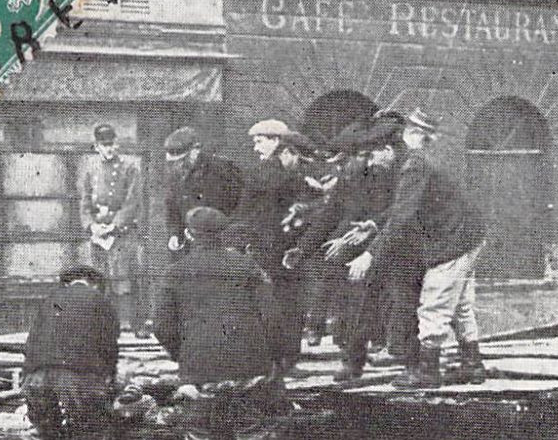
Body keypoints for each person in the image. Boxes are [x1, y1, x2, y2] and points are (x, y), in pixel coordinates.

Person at [153, 206, 289, 440]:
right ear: (223, 234)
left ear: (189, 235)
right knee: (252, 433)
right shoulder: (249, 267)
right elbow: (274, 320)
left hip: (199, 370)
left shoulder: (176, 272)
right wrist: (274, 361)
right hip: (248, 368)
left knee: (197, 438)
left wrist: (184, 355)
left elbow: (162, 325)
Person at [347, 106, 486, 388]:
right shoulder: (414, 162)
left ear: (387, 149)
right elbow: (404, 208)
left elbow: (402, 216)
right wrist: (374, 225)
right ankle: (472, 365)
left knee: (434, 302)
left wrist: (369, 254)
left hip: (452, 240)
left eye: (373, 155)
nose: (372, 162)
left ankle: (428, 371)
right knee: (460, 306)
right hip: (466, 235)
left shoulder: (413, 166)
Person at [294, 122, 400, 380]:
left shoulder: (387, 177)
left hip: (385, 245)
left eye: (355, 157)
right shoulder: (348, 179)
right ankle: (352, 355)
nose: (348, 164)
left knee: (372, 300)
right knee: (348, 299)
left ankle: (378, 350)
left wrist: (361, 240)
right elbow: (330, 216)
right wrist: (303, 248)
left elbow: (393, 216)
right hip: (353, 245)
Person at [21, 264, 122, 440]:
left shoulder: (49, 300)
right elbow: (109, 345)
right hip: (78, 375)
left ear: (67, 282)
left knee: (42, 433)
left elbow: (30, 344)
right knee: (94, 432)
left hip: (37, 376)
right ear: (94, 283)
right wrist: (109, 378)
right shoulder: (100, 301)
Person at [235, 120, 315, 369]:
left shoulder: (283, 172)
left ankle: (280, 360)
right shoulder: (271, 173)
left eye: (260, 141)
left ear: (277, 142)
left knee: (284, 304)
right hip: (272, 249)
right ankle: (282, 361)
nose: (255, 148)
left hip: (278, 249)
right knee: (284, 304)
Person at [78, 123, 145, 332]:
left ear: (117, 144)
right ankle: (102, 324)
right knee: (99, 277)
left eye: (112, 144)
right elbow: (85, 202)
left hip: (121, 233)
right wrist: (91, 225)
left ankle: (126, 323)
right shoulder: (91, 170)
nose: (109, 149)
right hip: (99, 232)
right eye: (104, 145)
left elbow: (132, 202)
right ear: (96, 146)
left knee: (122, 277)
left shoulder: (130, 169)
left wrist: (115, 225)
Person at [162, 126, 242, 257]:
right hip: (189, 245)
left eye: (182, 160)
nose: (178, 166)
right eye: (173, 162)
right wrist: (175, 233)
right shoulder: (175, 174)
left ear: (195, 150)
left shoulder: (221, 170)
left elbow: (236, 208)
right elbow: (171, 206)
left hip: (218, 244)